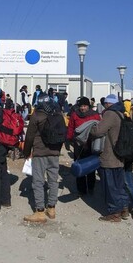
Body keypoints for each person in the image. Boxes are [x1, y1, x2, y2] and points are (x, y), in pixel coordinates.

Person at [22, 93, 64, 223]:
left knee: (38, 181)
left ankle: (40, 211)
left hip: (40, 152)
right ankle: (51, 208)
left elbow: (29, 136)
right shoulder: (58, 114)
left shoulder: (37, 115)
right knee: (53, 180)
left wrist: (26, 152)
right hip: (54, 152)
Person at [90, 94, 128, 223]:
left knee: (110, 185)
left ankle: (114, 212)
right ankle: (124, 208)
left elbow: (98, 131)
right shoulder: (121, 113)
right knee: (119, 184)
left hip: (109, 155)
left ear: (107, 103)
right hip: (119, 154)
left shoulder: (110, 114)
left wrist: (92, 127)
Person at [67, 97, 101, 195]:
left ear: (88, 106)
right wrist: (68, 139)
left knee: (91, 166)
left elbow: (99, 128)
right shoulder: (75, 115)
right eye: (81, 106)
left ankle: (91, 187)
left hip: (91, 144)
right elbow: (71, 127)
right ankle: (81, 189)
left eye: (85, 106)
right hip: (78, 144)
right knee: (79, 165)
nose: (83, 108)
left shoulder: (95, 115)